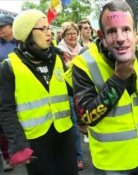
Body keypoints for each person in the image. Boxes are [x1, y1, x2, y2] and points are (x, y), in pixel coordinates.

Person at [66, 1, 138, 174]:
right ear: (101, 35)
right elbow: (87, 117)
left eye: (126, 30)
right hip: (112, 163)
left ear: (135, 32)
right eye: (112, 31)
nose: (120, 38)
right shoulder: (83, 65)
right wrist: (118, 78)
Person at [0, 9, 77, 174]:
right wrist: (18, 144)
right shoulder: (9, 66)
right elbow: (5, 110)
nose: (49, 33)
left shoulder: (57, 58)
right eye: (42, 29)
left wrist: (74, 70)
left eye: (49, 28)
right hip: (35, 142)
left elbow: (71, 90)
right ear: (27, 33)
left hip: (64, 134)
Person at [57, 21, 85, 170]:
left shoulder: (83, 50)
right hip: (66, 93)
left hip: (82, 92)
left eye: (74, 33)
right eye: (69, 34)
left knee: (84, 125)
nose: (72, 36)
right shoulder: (58, 52)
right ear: (64, 36)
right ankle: (77, 157)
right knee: (73, 127)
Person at [0, 14, 16, 172]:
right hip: (3, 91)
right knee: (3, 125)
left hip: (22, 91)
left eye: (2, 27)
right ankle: (6, 156)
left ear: (11, 26)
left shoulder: (23, 43)